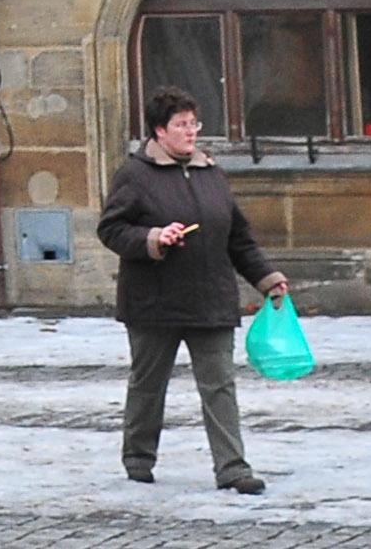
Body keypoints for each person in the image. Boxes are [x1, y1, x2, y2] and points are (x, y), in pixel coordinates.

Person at [100, 89, 287, 495]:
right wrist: (153, 237)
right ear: (160, 130)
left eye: (194, 123)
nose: (190, 132)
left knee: (220, 386)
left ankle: (233, 468)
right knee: (148, 385)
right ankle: (138, 457)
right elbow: (111, 229)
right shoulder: (135, 174)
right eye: (181, 124)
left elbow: (238, 239)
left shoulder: (211, 173)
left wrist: (267, 278)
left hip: (210, 297)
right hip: (153, 302)